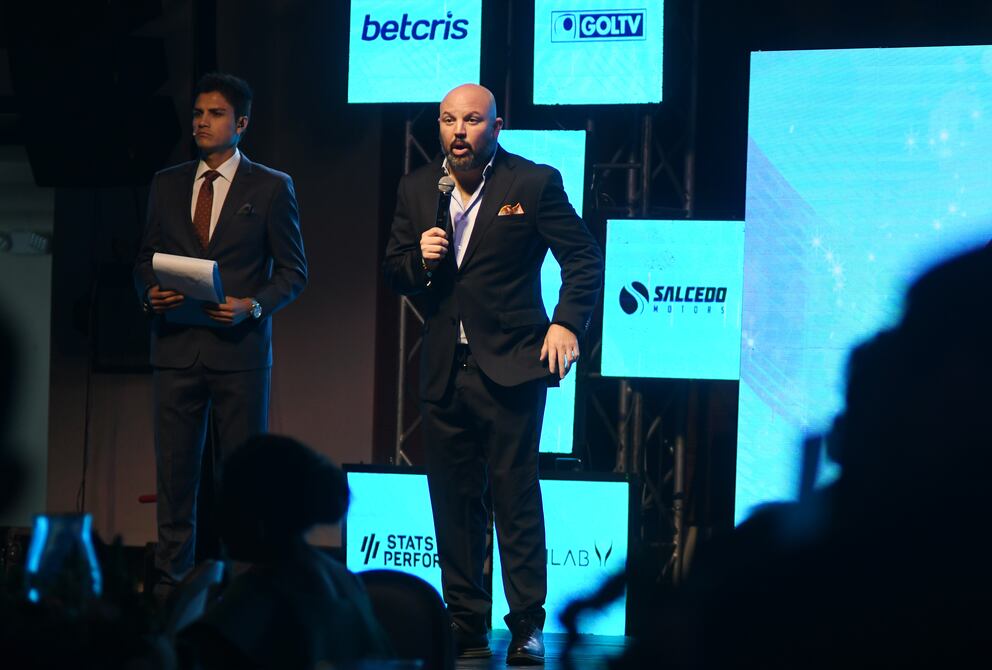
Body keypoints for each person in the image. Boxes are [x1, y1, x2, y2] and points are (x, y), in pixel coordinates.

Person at [383, 83, 603, 664]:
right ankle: (465, 620)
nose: (459, 132)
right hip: (442, 371)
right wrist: (419, 258)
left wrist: (567, 323)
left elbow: (582, 257)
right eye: (448, 120)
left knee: (514, 495)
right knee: (453, 501)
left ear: (496, 127)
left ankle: (527, 622)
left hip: (511, 367)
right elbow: (396, 272)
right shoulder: (416, 188)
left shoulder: (532, 182)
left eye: (472, 120)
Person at [133, 72, 307, 599]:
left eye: (214, 114)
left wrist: (252, 306)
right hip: (175, 349)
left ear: (241, 123)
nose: (202, 122)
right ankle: (171, 586)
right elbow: (144, 259)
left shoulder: (270, 186)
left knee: (242, 478)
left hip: (240, 354)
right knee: (174, 476)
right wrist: (150, 294)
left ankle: (243, 586)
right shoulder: (167, 182)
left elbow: (293, 273)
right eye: (197, 113)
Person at [177, 434, 392, 669]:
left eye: (226, 501)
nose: (216, 519)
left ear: (258, 514)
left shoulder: (252, 601)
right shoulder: (348, 582)